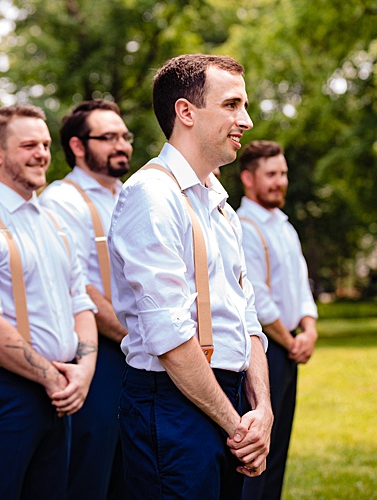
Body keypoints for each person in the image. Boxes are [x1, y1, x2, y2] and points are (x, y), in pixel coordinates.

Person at [108, 53, 273, 499]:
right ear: (186, 112)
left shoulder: (218, 201)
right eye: (232, 105)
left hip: (230, 400)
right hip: (171, 404)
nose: (247, 120)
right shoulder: (151, 195)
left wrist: (263, 411)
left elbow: (247, 317)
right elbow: (171, 337)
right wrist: (236, 425)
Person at [0, 104, 98, 499]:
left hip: (59, 393)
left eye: (44, 144)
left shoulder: (54, 222)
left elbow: (81, 303)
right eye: (29, 145)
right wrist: (53, 378)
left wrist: (85, 371)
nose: (42, 153)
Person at [38, 99, 133, 499]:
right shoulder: (63, 200)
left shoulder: (130, 195)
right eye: (108, 137)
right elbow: (82, 289)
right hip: (99, 354)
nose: (122, 145)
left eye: (125, 136)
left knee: (132, 475)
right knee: (89, 475)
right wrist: (134, 338)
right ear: (78, 146)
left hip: (141, 355)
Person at [235, 141, 320, 500]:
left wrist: (310, 329)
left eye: (283, 173)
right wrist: (290, 340)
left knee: (281, 445)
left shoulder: (285, 227)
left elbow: (301, 285)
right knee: (258, 450)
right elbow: (258, 299)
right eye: (271, 174)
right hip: (264, 350)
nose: (280, 181)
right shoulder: (242, 226)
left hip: (290, 348)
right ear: (248, 179)